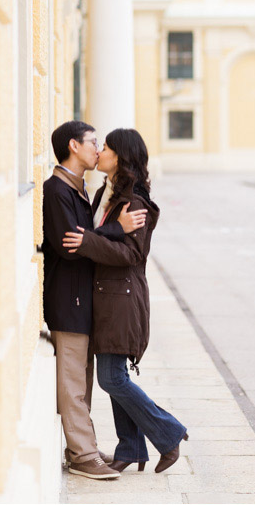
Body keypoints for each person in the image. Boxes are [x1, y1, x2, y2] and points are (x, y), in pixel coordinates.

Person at [62, 128, 189, 472]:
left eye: (106, 147)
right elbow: (103, 234)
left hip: (121, 299)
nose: (99, 151)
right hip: (105, 297)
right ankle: (130, 447)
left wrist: (88, 241)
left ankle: (169, 433)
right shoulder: (106, 192)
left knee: (112, 378)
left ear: (119, 156)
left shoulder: (135, 201)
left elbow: (131, 253)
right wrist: (99, 234)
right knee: (116, 376)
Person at [42, 120, 147, 480]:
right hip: (67, 300)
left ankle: (80, 448)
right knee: (73, 383)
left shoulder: (80, 190)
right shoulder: (57, 189)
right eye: (92, 142)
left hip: (82, 301)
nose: (97, 149)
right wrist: (118, 228)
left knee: (84, 380)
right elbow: (72, 245)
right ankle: (84, 455)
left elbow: (85, 239)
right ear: (74, 145)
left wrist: (101, 235)